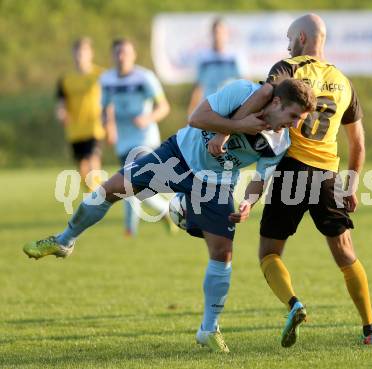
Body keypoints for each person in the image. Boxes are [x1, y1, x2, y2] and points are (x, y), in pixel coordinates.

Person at [23, 77, 316, 353]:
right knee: (109, 190)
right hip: (178, 155)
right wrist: (235, 127)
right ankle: (64, 241)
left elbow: (260, 179)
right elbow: (196, 119)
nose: (294, 125)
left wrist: (249, 204)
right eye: (293, 116)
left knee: (223, 252)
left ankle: (209, 329)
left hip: (215, 182)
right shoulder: (241, 92)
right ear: (276, 103)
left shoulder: (281, 142)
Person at [223, 14, 372, 347]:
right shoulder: (343, 81)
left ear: (303, 39)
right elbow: (358, 143)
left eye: (290, 37)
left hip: (290, 169)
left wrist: (228, 130)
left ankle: (294, 303)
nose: (287, 43)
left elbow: (266, 104)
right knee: (345, 252)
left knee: (269, 252)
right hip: (327, 175)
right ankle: (371, 330)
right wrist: (351, 184)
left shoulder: (288, 68)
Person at [100, 38, 175, 236]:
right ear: (112, 55)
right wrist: (109, 127)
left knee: (134, 183)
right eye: (117, 52)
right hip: (123, 141)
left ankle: (161, 213)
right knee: (128, 185)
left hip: (144, 139)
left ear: (133, 55)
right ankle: (134, 227)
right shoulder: (107, 79)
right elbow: (104, 108)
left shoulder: (145, 77)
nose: (121, 56)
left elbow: (163, 106)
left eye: (125, 52)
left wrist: (148, 117)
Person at [56, 37, 105, 190]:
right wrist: (61, 112)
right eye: (77, 52)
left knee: (93, 160)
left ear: (91, 53)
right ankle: (93, 193)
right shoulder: (66, 79)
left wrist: (109, 121)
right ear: (73, 54)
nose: (80, 55)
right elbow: (61, 102)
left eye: (84, 52)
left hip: (95, 127)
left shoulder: (101, 75)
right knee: (83, 169)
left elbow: (109, 101)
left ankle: (100, 195)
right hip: (75, 129)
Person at [187, 18, 242, 115]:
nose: (218, 36)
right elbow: (199, 87)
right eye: (216, 32)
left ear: (227, 34)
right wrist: (191, 112)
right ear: (211, 34)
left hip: (231, 107)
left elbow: (244, 83)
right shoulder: (203, 57)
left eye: (221, 32)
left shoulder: (235, 56)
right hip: (209, 108)